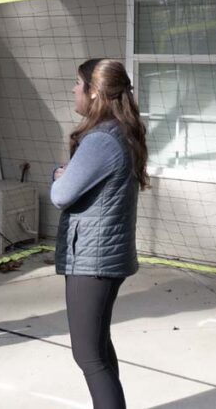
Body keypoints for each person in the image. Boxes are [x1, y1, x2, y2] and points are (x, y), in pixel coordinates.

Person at [50, 58, 149, 409]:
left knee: (89, 356)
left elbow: (61, 195)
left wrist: (60, 175)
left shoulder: (101, 140)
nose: (74, 90)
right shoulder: (117, 131)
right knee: (99, 352)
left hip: (93, 260)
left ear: (95, 93)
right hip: (102, 256)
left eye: (78, 84)